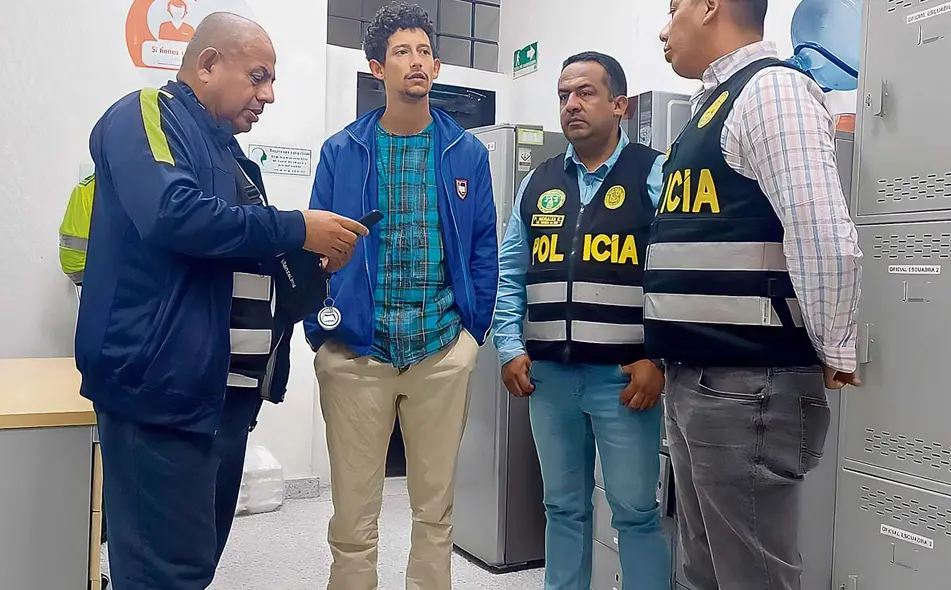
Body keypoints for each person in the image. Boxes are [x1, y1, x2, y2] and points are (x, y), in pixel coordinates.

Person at [77, 12, 368, 590]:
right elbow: (172, 214)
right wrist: (295, 228)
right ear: (207, 63)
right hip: (159, 392)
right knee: (163, 574)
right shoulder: (146, 114)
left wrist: (311, 258)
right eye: (258, 76)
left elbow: (237, 253)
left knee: (193, 566)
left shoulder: (232, 157)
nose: (269, 94)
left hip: (221, 399)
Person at [646, 1, 864, 589]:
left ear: (711, 6)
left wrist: (834, 347)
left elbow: (824, 238)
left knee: (752, 577)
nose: (664, 29)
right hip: (700, 378)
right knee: (705, 572)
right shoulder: (712, 107)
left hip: (748, 386)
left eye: (674, 9)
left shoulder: (772, 93)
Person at [303, 4, 498, 589]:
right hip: (357, 354)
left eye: (423, 52)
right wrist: (323, 335)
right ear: (376, 69)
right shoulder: (343, 151)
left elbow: (485, 246)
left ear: (436, 66)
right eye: (401, 53)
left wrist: (471, 335)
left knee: (434, 514)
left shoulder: (467, 152)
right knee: (354, 522)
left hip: (441, 350)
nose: (415, 62)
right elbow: (312, 249)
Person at [493, 51, 672, 590]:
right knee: (563, 509)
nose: (572, 104)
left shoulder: (654, 172)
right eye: (564, 94)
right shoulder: (539, 182)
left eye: (586, 93)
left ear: (619, 104)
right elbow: (510, 271)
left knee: (636, 513)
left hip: (623, 380)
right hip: (548, 378)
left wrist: (657, 355)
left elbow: (673, 272)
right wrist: (508, 345)